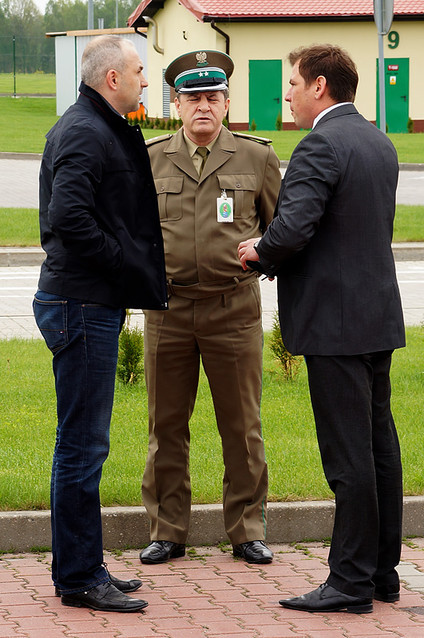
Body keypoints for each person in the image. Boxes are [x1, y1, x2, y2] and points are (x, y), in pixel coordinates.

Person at [238, 44, 404, 613]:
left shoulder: (319, 145)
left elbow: (293, 228)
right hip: (376, 316)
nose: (286, 93)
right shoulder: (379, 141)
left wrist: (258, 251)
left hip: (334, 323)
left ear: (320, 87)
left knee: (348, 455)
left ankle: (350, 582)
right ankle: (383, 572)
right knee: (380, 446)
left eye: (292, 82)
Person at [33, 35, 168, 613]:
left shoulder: (96, 124)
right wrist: (121, 264)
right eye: (139, 71)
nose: (145, 79)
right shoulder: (87, 131)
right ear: (111, 78)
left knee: (83, 443)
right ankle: (80, 577)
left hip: (86, 302)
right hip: (82, 304)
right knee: (83, 447)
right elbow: (68, 216)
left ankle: (84, 565)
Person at [139, 50, 281, 566]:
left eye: (212, 97)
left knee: (242, 426)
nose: (203, 106)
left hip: (233, 308)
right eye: (192, 97)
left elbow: (280, 227)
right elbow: (133, 230)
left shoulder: (256, 158)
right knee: (166, 426)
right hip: (167, 311)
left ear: (226, 103)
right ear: (176, 103)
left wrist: (263, 255)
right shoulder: (149, 157)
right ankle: (167, 530)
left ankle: (247, 529)